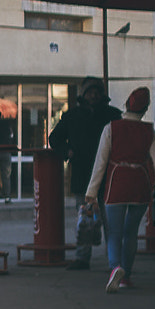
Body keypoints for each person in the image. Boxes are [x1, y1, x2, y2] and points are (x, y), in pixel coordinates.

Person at [84, 86, 155, 292]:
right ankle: (126, 275)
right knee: (131, 233)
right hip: (140, 184)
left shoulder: (111, 128)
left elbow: (100, 163)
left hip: (116, 184)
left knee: (114, 233)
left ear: (126, 104)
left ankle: (114, 268)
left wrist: (91, 193)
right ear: (145, 109)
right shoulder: (149, 131)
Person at [48, 77, 121, 270]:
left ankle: (114, 260)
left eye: (97, 91)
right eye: (90, 92)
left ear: (102, 94)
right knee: (84, 219)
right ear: (83, 94)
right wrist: (67, 152)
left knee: (110, 221)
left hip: (108, 176)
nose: (94, 95)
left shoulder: (113, 115)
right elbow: (54, 138)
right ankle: (82, 258)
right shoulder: (72, 116)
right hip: (83, 174)